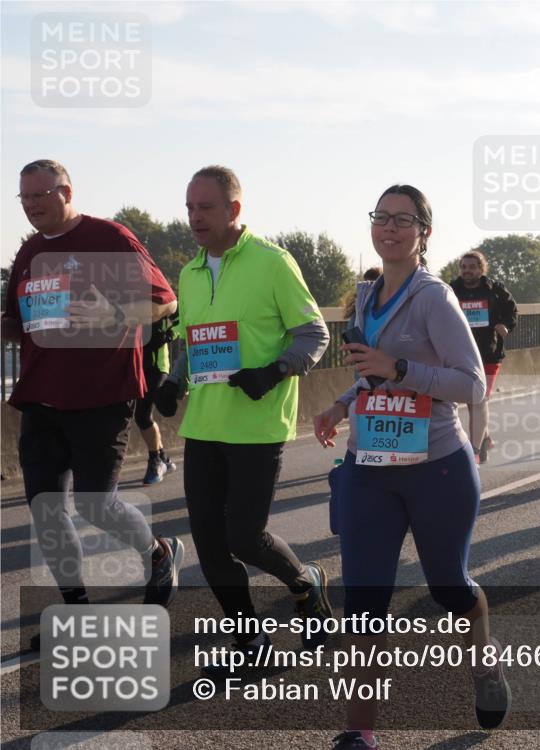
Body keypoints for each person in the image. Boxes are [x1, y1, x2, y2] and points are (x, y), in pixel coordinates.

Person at [313, 185, 509, 750]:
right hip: (369, 465)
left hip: (436, 468)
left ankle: (483, 661)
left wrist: (400, 368)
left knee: (449, 587)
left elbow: (471, 385)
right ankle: (360, 732)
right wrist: (342, 403)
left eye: (403, 220)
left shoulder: (434, 298)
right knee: (363, 602)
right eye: (382, 217)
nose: (390, 228)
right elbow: (370, 372)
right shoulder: (367, 294)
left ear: (424, 233)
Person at [153, 165, 333, 664]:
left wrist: (274, 371)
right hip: (204, 425)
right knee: (210, 545)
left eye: (205, 207)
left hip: (257, 425)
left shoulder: (272, 262)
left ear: (234, 209)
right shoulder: (190, 273)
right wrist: (173, 382)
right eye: (189, 207)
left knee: (245, 538)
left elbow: (314, 334)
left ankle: (305, 581)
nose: (194, 217)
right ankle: (249, 638)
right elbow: (193, 341)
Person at [2, 160, 183, 651]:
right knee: (46, 511)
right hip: (41, 397)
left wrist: (117, 312)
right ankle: (75, 610)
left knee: (95, 505)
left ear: (66, 192)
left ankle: (158, 553)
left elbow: (165, 302)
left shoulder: (110, 239)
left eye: (40, 196)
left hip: (102, 396)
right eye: (24, 198)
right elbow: (16, 323)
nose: (31, 206)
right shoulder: (30, 252)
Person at [450, 250, 518, 464]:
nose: (467, 271)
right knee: (472, 400)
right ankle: (485, 436)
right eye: (463, 267)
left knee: (479, 399)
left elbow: (512, 311)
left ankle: (475, 450)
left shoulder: (495, 290)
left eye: (472, 267)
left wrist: (505, 325)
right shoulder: (451, 290)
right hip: (461, 353)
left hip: (489, 352)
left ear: (481, 269)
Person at [136, 313, 179, 484]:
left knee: (143, 414)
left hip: (157, 365)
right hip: (136, 364)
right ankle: (163, 458)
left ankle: (156, 460)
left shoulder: (161, 297)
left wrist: (169, 335)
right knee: (141, 416)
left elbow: (182, 320)